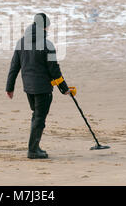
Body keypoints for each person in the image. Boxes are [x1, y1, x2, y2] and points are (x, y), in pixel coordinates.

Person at [6, 13, 76, 159]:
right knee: (39, 118)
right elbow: (54, 70)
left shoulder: (21, 43)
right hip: (43, 88)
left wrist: (10, 87)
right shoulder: (47, 45)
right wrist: (64, 89)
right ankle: (32, 150)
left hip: (28, 88)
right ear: (45, 27)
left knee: (36, 115)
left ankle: (35, 147)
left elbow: (14, 66)